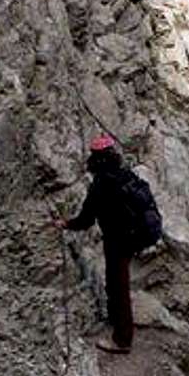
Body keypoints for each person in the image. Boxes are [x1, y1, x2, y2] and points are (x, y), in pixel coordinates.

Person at [65, 135, 139, 354]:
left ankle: (123, 340)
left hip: (116, 240)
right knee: (116, 282)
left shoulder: (101, 183)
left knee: (119, 286)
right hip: (130, 236)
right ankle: (117, 323)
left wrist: (66, 224)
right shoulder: (124, 174)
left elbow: (86, 220)